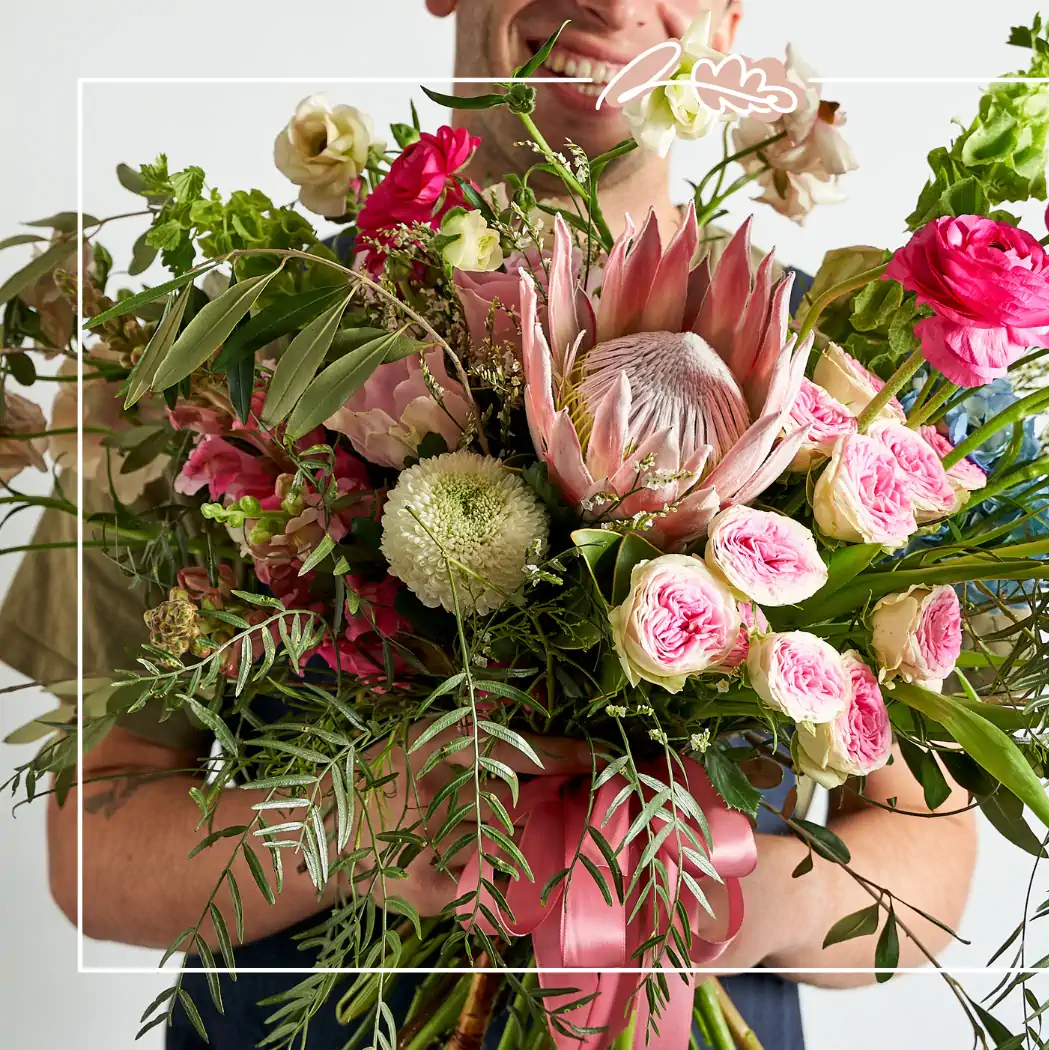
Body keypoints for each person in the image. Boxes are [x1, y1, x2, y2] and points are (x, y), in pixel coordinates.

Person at [9, 2, 978, 1047]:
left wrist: (731, 895)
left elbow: (927, 850)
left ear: (728, 13)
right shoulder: (217, 361)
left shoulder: (848, 392)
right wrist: (361, 830)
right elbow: (94, 840)